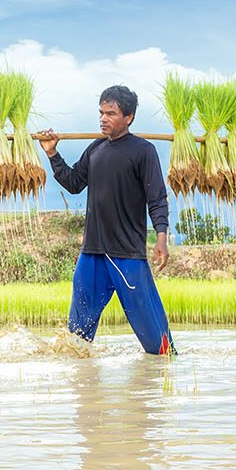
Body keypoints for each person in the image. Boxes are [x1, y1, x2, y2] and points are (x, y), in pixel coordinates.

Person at [39, 85, 175, 355]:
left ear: (129, 117)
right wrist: (52, 154)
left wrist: (161, 238)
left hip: (127, 255)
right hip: (92, 253)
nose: (103, 118)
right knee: (76, 338)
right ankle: (84, 385)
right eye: (101, 112)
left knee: (156, 342)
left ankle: (164, 378)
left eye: (111, 113)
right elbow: (74, 183)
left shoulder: (143, 151)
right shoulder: (95, 149)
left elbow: (157, 198)